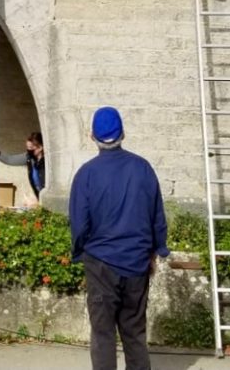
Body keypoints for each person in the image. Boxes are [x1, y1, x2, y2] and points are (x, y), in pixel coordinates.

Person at [69, 107, 170, 370]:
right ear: (123, 133)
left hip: (100, 262)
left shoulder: (86, 174)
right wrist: (158, 250)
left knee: (103, 334)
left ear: (92, 136)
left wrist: (80, 252)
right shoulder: (143, 168)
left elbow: (79, 223)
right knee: (134, 332)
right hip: (137, 261)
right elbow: (156, 215)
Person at [0, 131, 45, 201]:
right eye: (27, 147)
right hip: (39, 196)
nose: (28, 150)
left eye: (31, 147)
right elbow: (10, 160)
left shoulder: (48, 162)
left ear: (40, 148)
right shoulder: (29, 158)